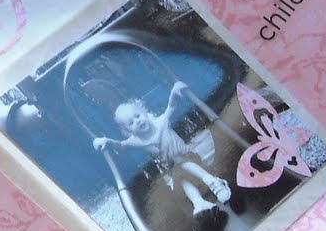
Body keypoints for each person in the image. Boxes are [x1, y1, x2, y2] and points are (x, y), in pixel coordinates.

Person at [93, 81, 230, 217]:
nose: (137, 121)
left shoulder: (161, 122)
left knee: (183, 165)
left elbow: (171, 106)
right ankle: (199, 202)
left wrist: (174, 91)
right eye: (131, 123)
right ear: (128, 131)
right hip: (173, 169)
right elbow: (120, 145)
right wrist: (106, 141)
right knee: (181, 181)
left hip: (189, 157)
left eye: (137, 116)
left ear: (144, 112)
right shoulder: (137, 140)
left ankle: (214, 183)